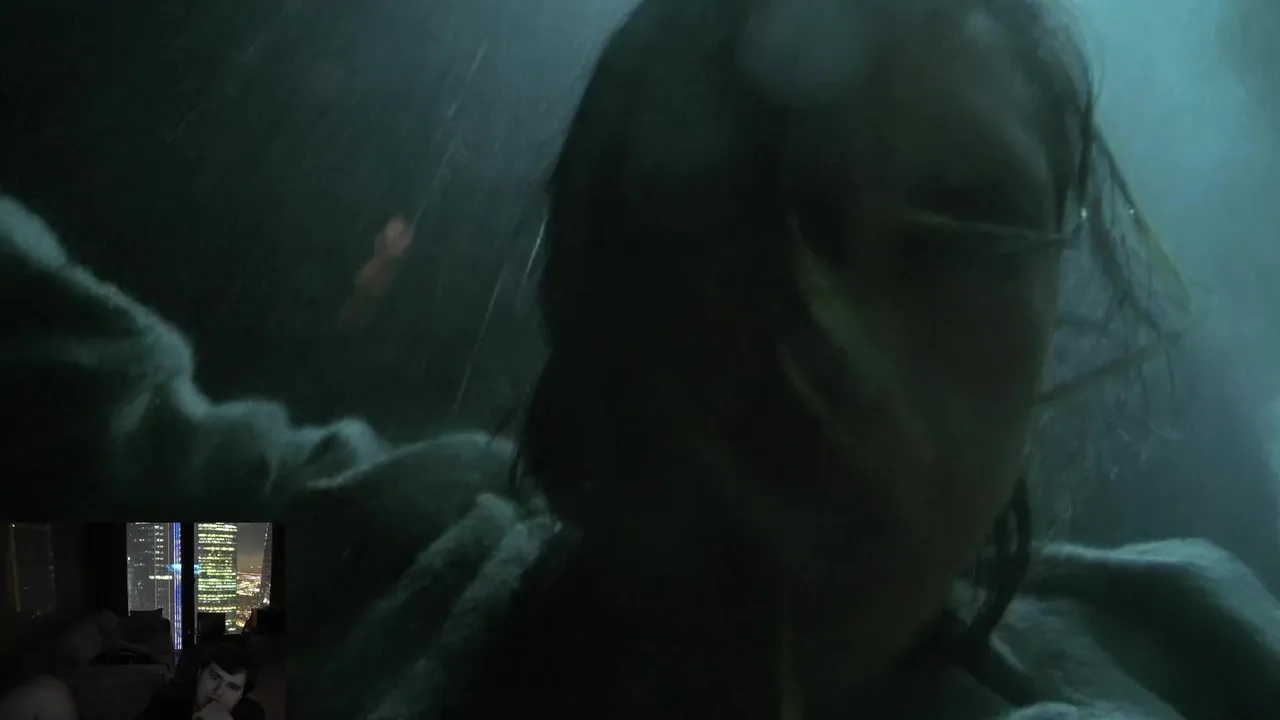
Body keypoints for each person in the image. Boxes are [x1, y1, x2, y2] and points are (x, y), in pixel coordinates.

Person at [1, 0, 1279, 718]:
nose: (835, 345)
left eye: (963, 235)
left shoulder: (1198, 665)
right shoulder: (353, 599)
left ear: (1053, 317)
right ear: (581, 268)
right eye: (745, 198)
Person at [135, 645, 263, 720]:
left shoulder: (251, 715)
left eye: (232, 687)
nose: (218, 691)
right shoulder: (166, 700)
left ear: (240, 696)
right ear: (199, 673)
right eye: (215, 677)